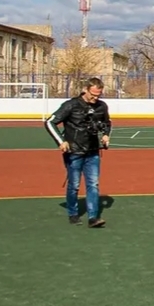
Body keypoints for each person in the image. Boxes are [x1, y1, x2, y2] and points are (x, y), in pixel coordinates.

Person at [45, 77, 112, 228]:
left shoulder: (101, 106)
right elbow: (50, 122)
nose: (95, 98)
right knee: (74, 185)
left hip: (93, 152)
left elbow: (107, 123)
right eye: (93, 95)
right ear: (85, 90)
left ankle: (93, 217)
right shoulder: (71, 105)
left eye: (98, 95)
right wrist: (61, 141)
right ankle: (73, 213)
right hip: (74, 152)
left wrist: (106, 135)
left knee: (93, 184)